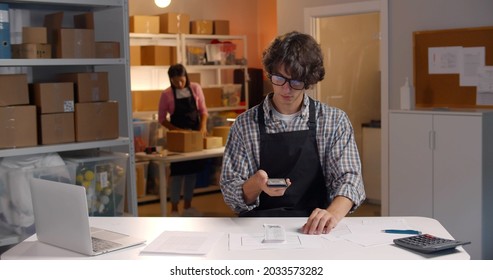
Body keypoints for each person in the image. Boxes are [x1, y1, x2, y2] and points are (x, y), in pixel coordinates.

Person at [219, 31, 366, 234]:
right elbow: (231, 193)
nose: (286, 89)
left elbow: (350, 179)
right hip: (257, 230)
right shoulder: (245, 125)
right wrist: (256, 184)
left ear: (309, 80)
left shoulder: (334, 121)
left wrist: (331, 214)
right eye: (279, 78)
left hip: (314, 227)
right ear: (270, 74)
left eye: (296, 82)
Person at [158, 64, 208, 217]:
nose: (179, 84)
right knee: (177, 174)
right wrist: (177, 130)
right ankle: (173, 209)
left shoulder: (195, 88)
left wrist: (202, 128)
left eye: (181, 80)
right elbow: (162, 119)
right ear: (170, 80)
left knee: (191, 173)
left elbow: (203, 111)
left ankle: (187, 206)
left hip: (194, 135)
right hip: (178, 138)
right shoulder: (166, 94)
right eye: (175, 82)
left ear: (186, 77)